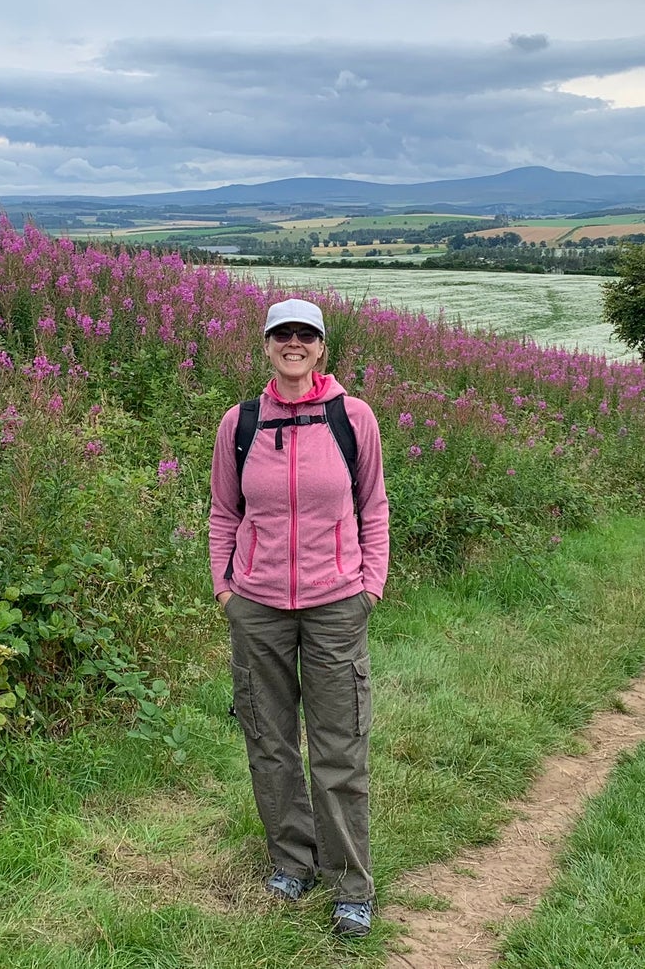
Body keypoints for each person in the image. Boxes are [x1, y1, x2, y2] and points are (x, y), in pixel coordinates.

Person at [208, 297, 389, 939]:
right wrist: (226, 589)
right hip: (256, 603)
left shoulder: (351, 416)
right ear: (266, 345)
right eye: (281, 333)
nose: (293, 343)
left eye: (304, 334)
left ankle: (350, 886)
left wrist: (369, 585)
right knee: (270, 740)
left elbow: (374, 505)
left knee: (340, 745)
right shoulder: (241, 422)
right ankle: (292, 861)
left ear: (321, 347)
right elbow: (225, 513)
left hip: (337, 601)